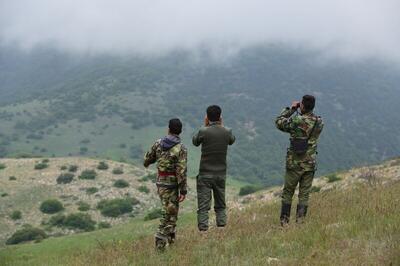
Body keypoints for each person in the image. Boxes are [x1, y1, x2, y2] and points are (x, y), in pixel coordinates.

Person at [275, 95, 324, 225]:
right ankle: (300, 223)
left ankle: (284, 223)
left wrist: (291, 109)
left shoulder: (297, 120)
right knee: (304, 194)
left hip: (294, 164)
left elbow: (279, 122)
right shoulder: (319, 122)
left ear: (302, 105)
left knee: (288, 193)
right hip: (310, 164)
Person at [143, 118, 187, 251]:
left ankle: (172, 243)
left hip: (161, 183)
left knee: (170, 212)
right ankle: (160, 246)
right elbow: (181, 171)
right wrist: (183, 190)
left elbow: (147, 160)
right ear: (180, 131)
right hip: (172, 185)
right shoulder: (181, 149)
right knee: (169, 214)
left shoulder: (158, 143)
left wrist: (152, 161)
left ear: (168, 129)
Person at [192, 105, 236, 231]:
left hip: (205, 174)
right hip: (220, 174)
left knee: (203, 206)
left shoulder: (203, 131)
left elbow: (195, 142)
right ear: (220, 117)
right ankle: (221, 229)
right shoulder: (227, 131)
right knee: (220, 205)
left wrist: (205, 126)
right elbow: (232, 140)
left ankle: (203, 232)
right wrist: (221, 126)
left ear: (207, 117)